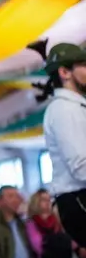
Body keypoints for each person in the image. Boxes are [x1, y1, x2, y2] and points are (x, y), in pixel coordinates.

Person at [28, 40, 86, 247]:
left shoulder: (74, 107)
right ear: (65, 72)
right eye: (83, 65)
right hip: (79, 200)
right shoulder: (64, 110)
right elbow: (81, 167)